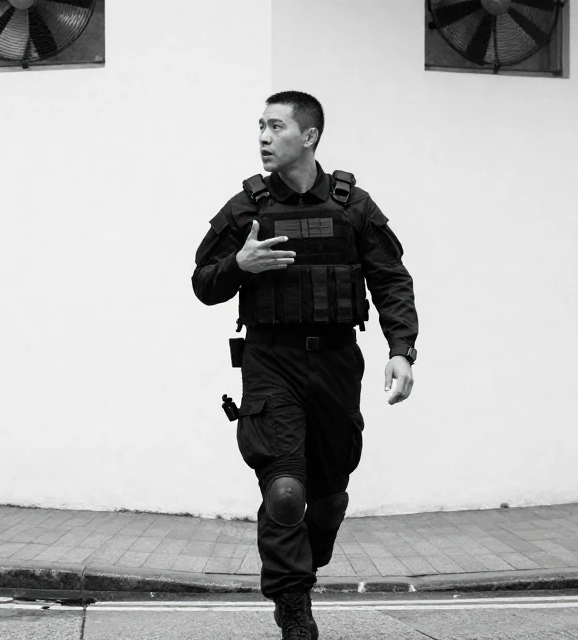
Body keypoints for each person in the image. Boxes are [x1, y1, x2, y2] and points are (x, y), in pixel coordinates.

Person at [191, 91, 419, 640]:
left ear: (309, 136)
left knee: (329, 490)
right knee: (284, 490)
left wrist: (401, 349)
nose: (263, 137)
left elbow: (392, 279)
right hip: (271, 360)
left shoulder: (352, 205)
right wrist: (239, 266)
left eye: (275, 126)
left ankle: (308, 562)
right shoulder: (246, 207)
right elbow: (202, 282)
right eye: (260, 127)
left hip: (339, 361)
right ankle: (293, 604)